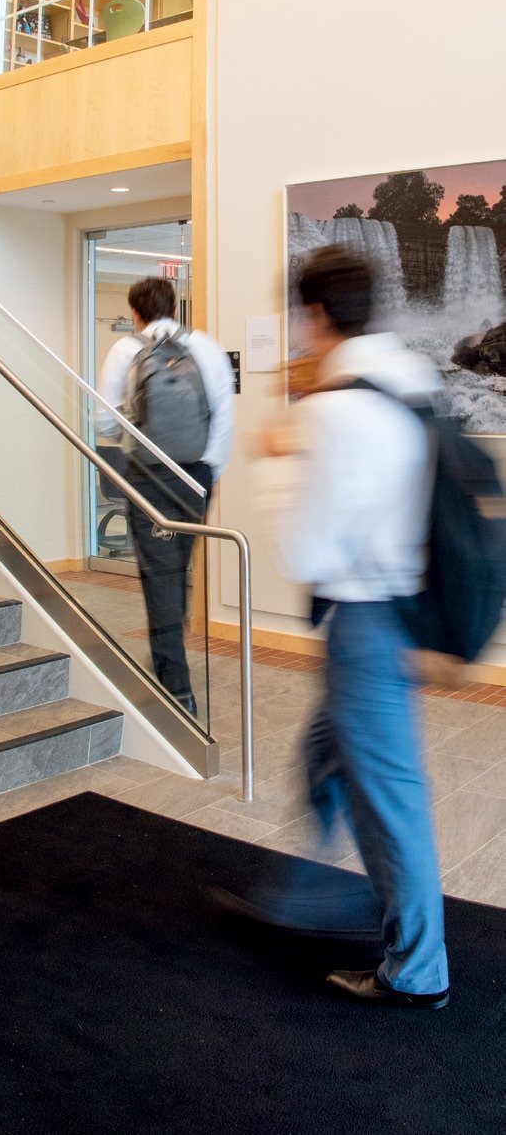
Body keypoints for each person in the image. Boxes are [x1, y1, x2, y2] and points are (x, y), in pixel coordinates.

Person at [243, 245, 449, 1008]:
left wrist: (272, 454)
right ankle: (302, 895)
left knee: (388, 799)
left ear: (317, 314)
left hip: (364, 620)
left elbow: (307, 548)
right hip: (404, 608)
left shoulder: (334, 412)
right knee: (324, 755)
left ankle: (416, 970)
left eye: (299, 313)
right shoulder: (410, 375)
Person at [96, 277, 236, 716]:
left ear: (136, 311)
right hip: (197, 475)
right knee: (179, 567)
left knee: (160, 575)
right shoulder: (206, 347)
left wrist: (133, 428)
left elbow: (102, 422)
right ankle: (169, 656)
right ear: (174, 307)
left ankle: (176, 687)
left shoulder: (125, 350)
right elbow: (224, 414)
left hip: (147, 475)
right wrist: (209, 470)